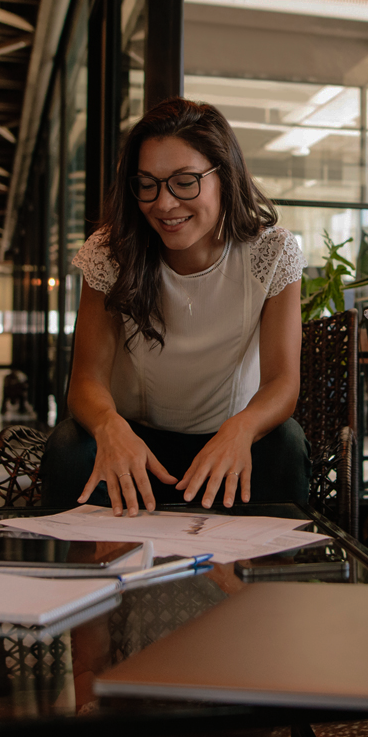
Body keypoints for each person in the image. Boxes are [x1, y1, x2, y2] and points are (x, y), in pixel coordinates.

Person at [38, 98, 307, 516]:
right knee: (70, 449)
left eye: (184, 182)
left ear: (225, 176)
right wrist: (110, 427)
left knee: (285, 444)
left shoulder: (270, 252)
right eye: (147, 184)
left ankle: (263, 579)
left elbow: (282, 382)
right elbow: (87, 379)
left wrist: (242, 428)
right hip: (136, 441)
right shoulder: (111, 252)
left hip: (228, 436)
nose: (163, 204)